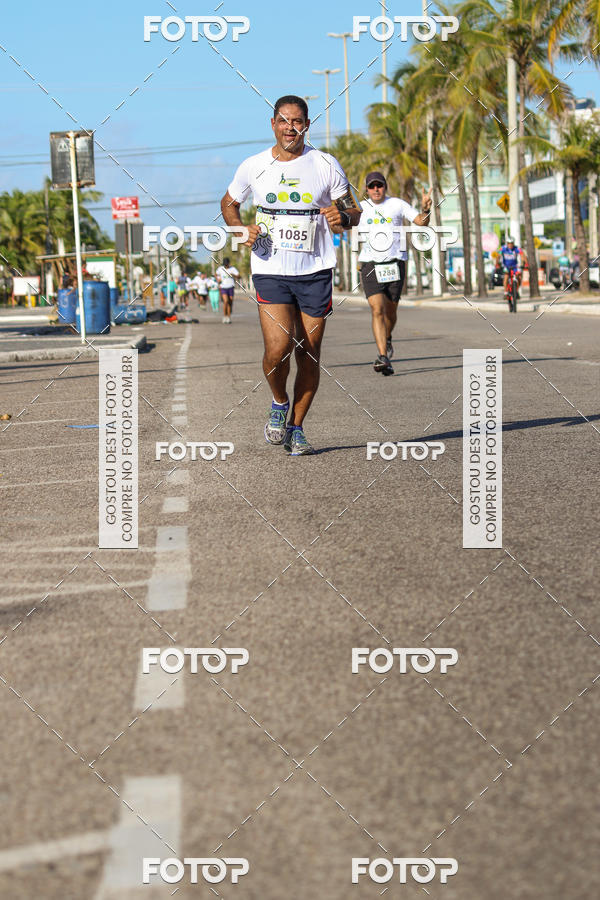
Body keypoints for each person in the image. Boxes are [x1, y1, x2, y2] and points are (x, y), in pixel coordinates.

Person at [220, 94, 361, 455]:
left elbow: (353, 210)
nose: (290, 128)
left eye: (297, 121)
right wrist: (239, 230)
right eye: (283, 121)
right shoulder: (253, 166)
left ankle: (296, 427)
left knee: (309, 353)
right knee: (278, 348)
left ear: (307, 125)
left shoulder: (326, 164)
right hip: (270, 269)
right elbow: (229, 203)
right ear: (273, 124)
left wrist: (341, 218)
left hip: (315, 271)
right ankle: (279, 401)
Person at [358, 172, 432, 375]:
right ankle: (383, 356)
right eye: (371, 186)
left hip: (395, 263)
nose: (375, 189)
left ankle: (388, 337)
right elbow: (342, 224)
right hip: (370, 263)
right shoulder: (361, 208)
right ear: (366, 189)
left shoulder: (397, 204)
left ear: (385, 187)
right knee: (377, 310)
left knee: (390, 311)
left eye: (379, 185)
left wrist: (426, 209)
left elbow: (420, 222)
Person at [501, 237, 527, 311]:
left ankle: (516, 290)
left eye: (511, 243)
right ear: (507, 243)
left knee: (519, 276)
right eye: (509, 243)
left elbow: (522, 255)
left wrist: (525, 263)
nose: (510, 245)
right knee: (506, 277)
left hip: (515, 266)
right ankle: (506, 292)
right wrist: (498, 264)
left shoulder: (517, 248)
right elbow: (498, 256)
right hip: (506, 266)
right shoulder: (503, 248)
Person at [216, 257, 240, 324]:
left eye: (226, 264)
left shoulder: (233, 269)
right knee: (226, 301)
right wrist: (218, 279)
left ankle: (228, 317)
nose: (225, 265)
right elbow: (216, 274)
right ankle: (225, 316)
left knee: (230, 302)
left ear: (229, 263)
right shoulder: (220, 269)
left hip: (231, 287)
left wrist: (234, 275)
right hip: (223, 287)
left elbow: (239, 276)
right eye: (224, 264)